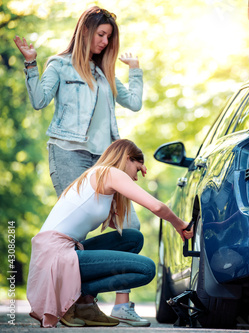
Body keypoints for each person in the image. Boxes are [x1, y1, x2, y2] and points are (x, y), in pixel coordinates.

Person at [14, 6, 148, 325]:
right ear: (85, 31)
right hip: (68, 152)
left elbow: (134, 103)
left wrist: (135, 69)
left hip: (104, 161)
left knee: (130, 226)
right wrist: (31, 62)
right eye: (101, 35)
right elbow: (38, 100)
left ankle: (121, 304)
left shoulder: (104, 72)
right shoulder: (59, 65)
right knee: (78, 231)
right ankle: (78, 301)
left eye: (109, 37)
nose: (104, 42)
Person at [27, 139, 194, 328]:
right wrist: (180, 224)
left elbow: (118, 226)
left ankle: (84, 305)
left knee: (132, 238)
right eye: (138, 169)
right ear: (127, 159)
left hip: (62, 252)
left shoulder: (98, 178)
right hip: (56, 256)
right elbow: (156, 206)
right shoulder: (109, 172)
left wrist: (119, 198)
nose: (137, 177)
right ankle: (76, 295)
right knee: (146, 269)